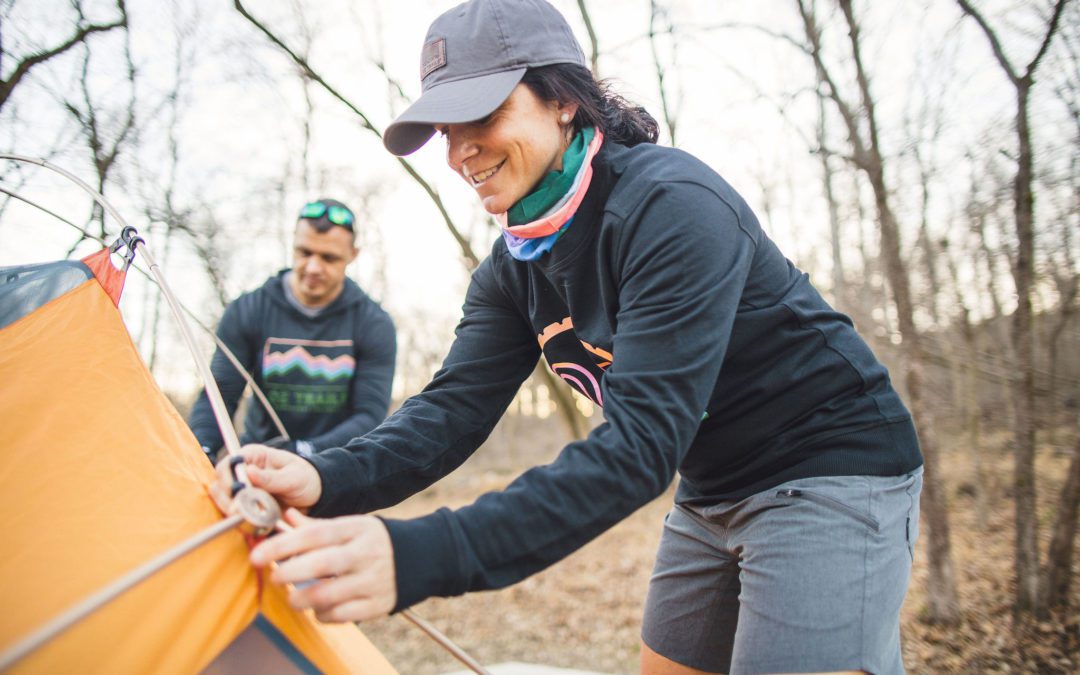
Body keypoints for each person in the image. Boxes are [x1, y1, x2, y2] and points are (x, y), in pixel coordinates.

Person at [213, 2, 923, 673]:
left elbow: (642, 445)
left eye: (481, 114)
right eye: (444, 131)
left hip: (832, 462)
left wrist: (420, 552)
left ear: (563, 99)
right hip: (711, 488)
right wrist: (327, 477)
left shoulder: (670, 205)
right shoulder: (515, 263)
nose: (461, 152)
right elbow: (452, 410)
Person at [189, 198, 396, 461]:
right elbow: (219, 395)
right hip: (259, 462)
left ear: (352, 255)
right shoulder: (248, 310)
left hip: (337, 467)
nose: (313, 267)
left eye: (329, 258)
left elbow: (369, 417)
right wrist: (200, 452)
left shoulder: (373, 323)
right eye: (304, 252)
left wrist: (303, 452)